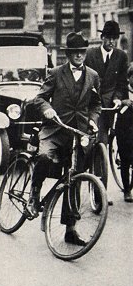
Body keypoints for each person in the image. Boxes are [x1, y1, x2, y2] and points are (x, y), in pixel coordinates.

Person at [29, 32, 101, 246]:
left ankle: (70, 229)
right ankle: (35, 192)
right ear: (68, 54)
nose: (79, 56)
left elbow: (95, 104)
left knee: (75, 178)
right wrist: (48, 110)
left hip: (78, 134)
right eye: (75, 53)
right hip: (55, 130)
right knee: (43, 156)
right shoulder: (56, 73)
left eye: (82, 52)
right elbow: (40, 98)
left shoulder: (93, 76)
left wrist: (93, 120)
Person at [84, 21, 129, 197]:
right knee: (100, 144)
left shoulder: (121, 57)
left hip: (111, 107)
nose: (111, 42)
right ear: (102, 38)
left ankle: (99, 188)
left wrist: (118, 99)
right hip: (91, 105)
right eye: (109, 38)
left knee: (106, 145)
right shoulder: (90, 54)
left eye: (114, 39)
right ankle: (99, 191)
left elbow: (122, 83)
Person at [114, 64, 133, 202]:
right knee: (125, 159)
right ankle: (127, 190)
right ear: (129, 78)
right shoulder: (123, 90)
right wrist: (122, 102)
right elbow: (116, 100)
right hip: (124, 128)